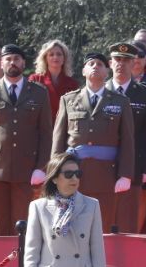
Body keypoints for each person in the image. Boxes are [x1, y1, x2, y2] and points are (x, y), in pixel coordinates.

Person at [0, 45, 53, 236]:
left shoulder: (39, 93)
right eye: (8, 59)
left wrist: (41, 167)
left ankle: (22, 265)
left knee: (24, 225)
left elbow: (46, 132)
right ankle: (0, 264)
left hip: (27, 170)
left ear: (24, 63)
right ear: (1, 62)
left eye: (17, 59)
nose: (12, 62)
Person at [51, 50, 135, 232]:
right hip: (73, 174)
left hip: (106, 175)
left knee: (101, 226)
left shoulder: (121, 102)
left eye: (100, 64)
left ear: (107, 72)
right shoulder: (68, 100)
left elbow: (128, 142)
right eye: (91, 64)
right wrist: (55, 172)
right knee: (70, 226)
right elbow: (58, 140)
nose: (95, 67)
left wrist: (125, 175)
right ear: (83, 71)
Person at [107, 42, 146, 233]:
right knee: (101, 220)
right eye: (117, 59)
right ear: (110, 63)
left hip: (133, 167)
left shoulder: (145, 95)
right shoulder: (100, 92)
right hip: (102, 167)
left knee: (128, 222)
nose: (121, 64)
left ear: (134, 64)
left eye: (126, 60)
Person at [28, 39, 80, 123]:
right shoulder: (35, 79)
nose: (55, 57)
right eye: (51, 54)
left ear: (64, 58)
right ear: (45, 58)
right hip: (41, 127)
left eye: (59, 54)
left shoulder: (72, 83)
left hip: (64, 127)